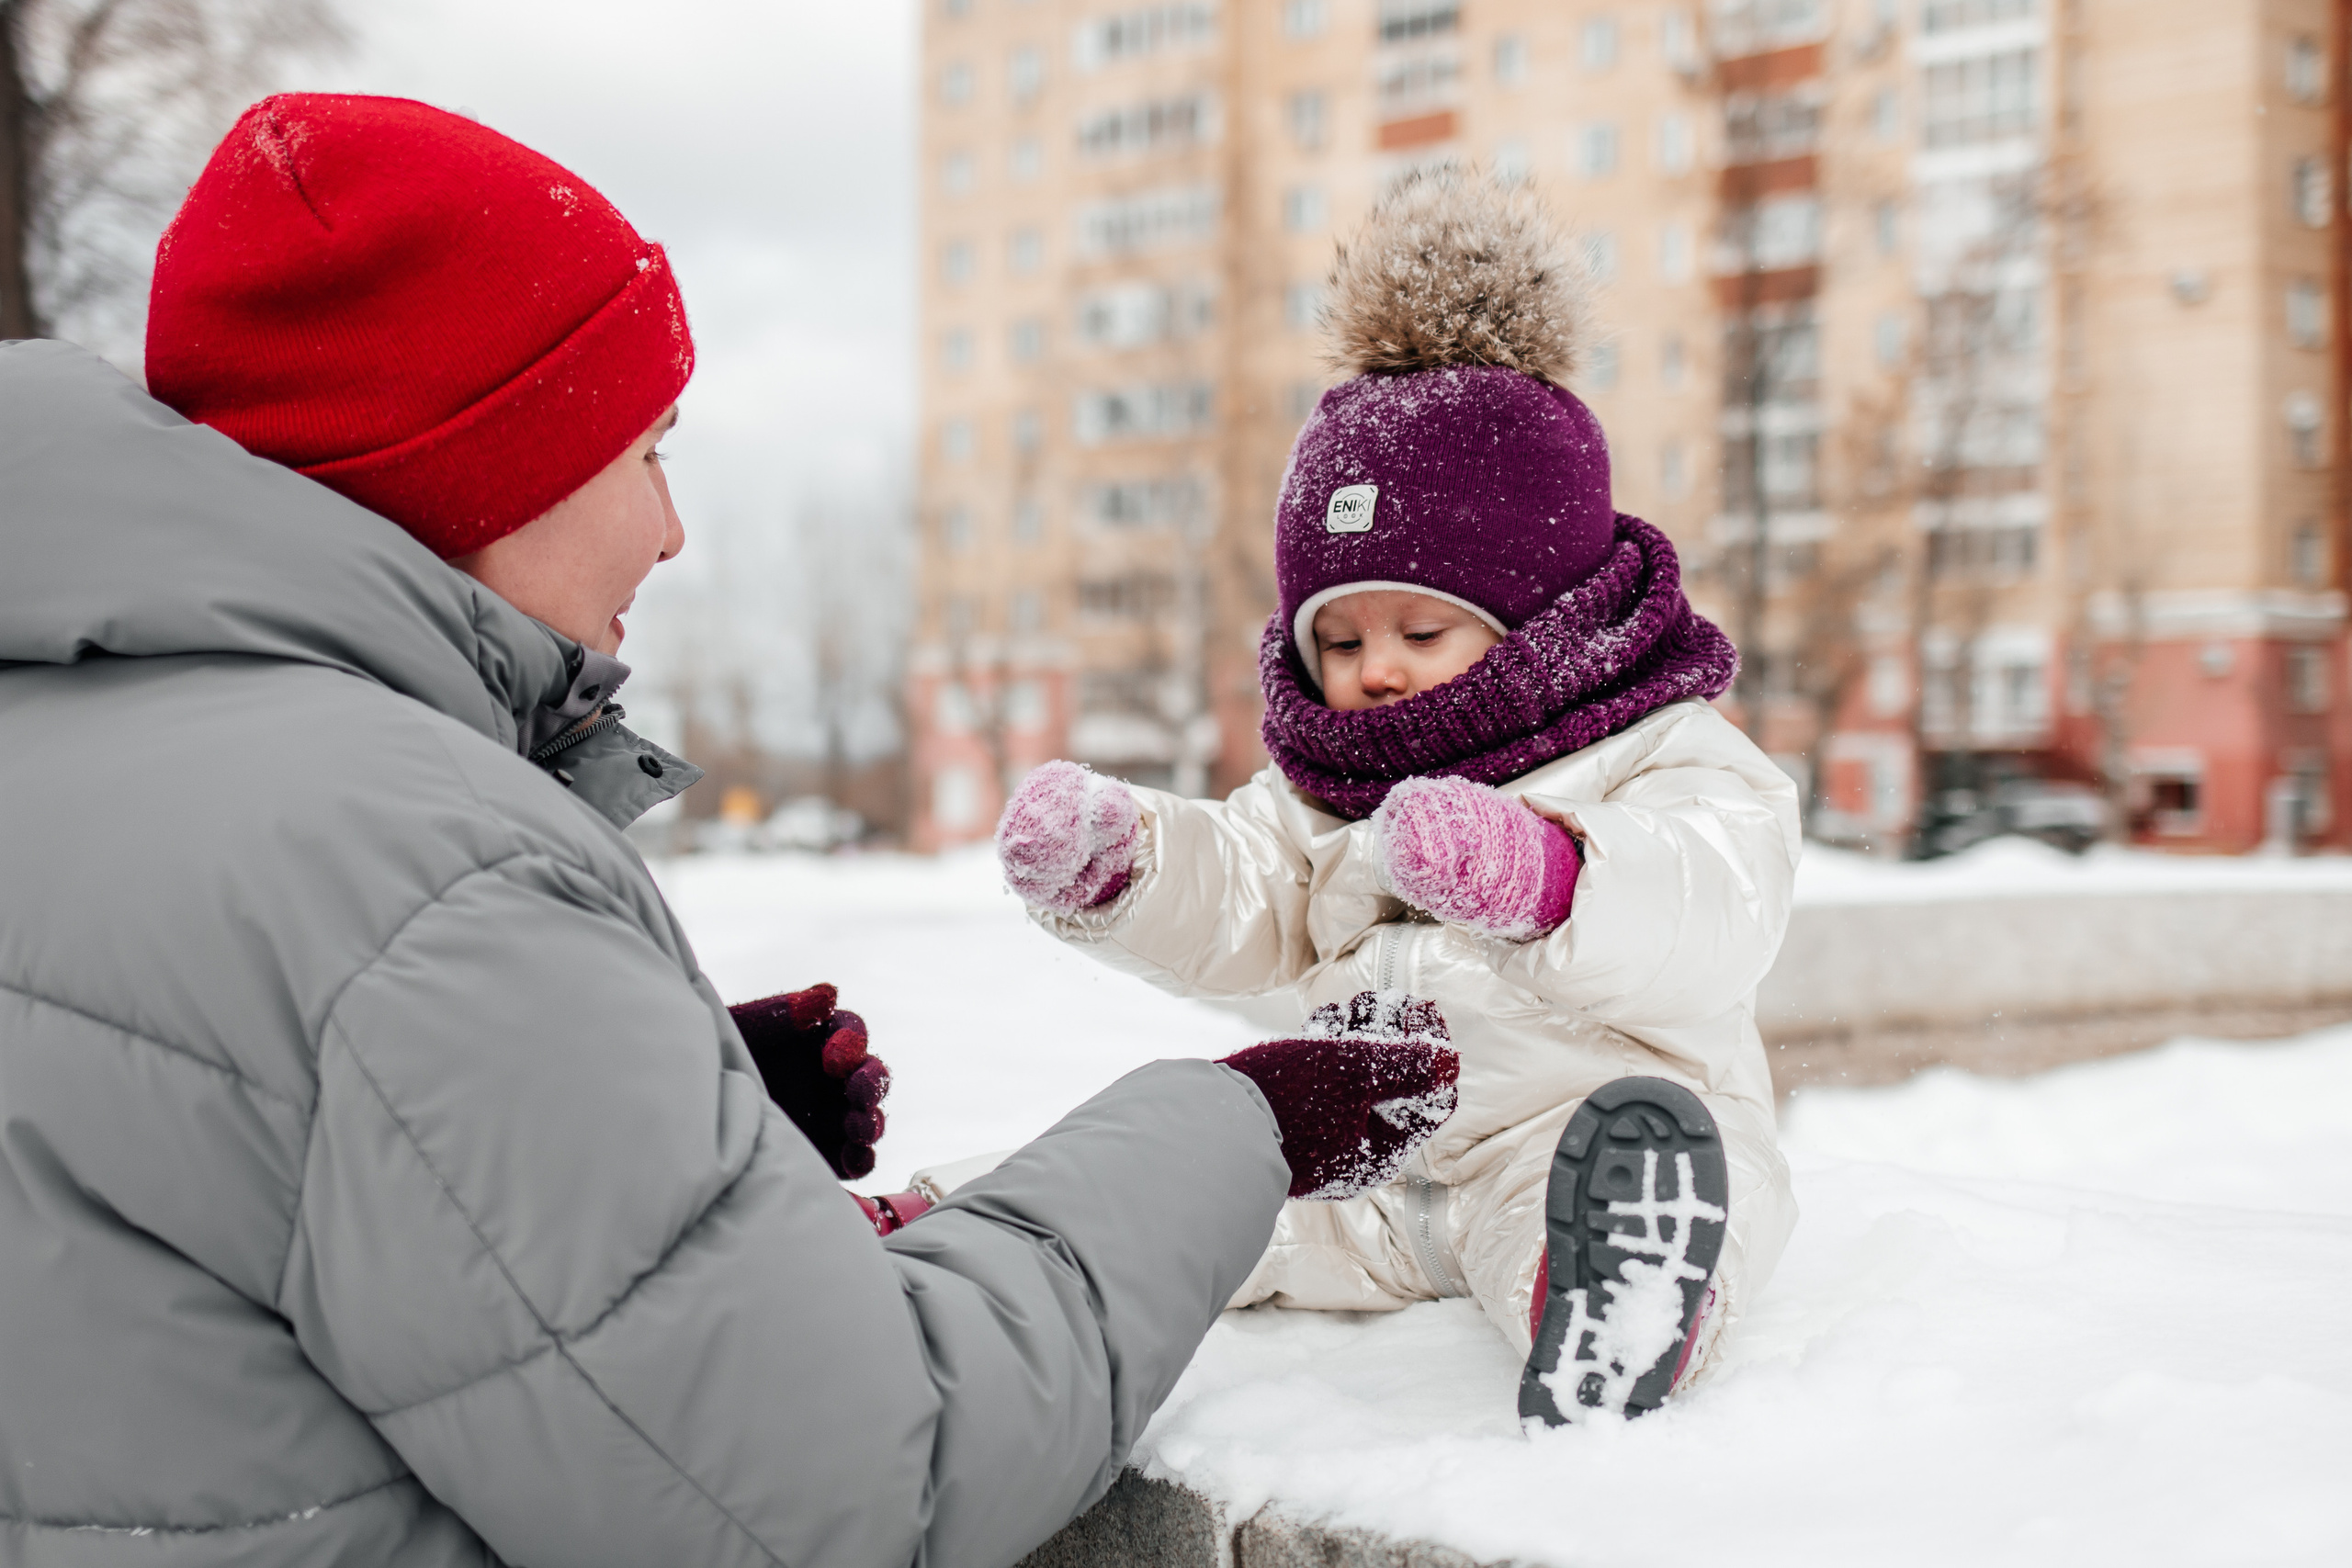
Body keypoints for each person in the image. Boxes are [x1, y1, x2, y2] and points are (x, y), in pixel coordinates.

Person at [0, 95, 1461, 1566]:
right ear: (479, 463)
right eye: (645, 451)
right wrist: (1234, 1132)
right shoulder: (415, 875)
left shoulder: (67, 756)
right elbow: (853, 1488)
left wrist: (640, 1117)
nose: (671, 530)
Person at [992, 170, 1802, 1425]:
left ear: (1544, 613)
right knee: (1168, 1183)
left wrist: (1544, 874)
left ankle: (1611, 1298)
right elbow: (1249, 891)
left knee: (1649, 1182)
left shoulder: (1656, 749)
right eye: (1340, 635)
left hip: (1567, 1132)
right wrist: (1128, 866)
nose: (1375, 668)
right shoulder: (1329, 786)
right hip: (1360, 1157)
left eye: (1423, 627)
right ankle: (957, 1231)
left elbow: (1715, 900)